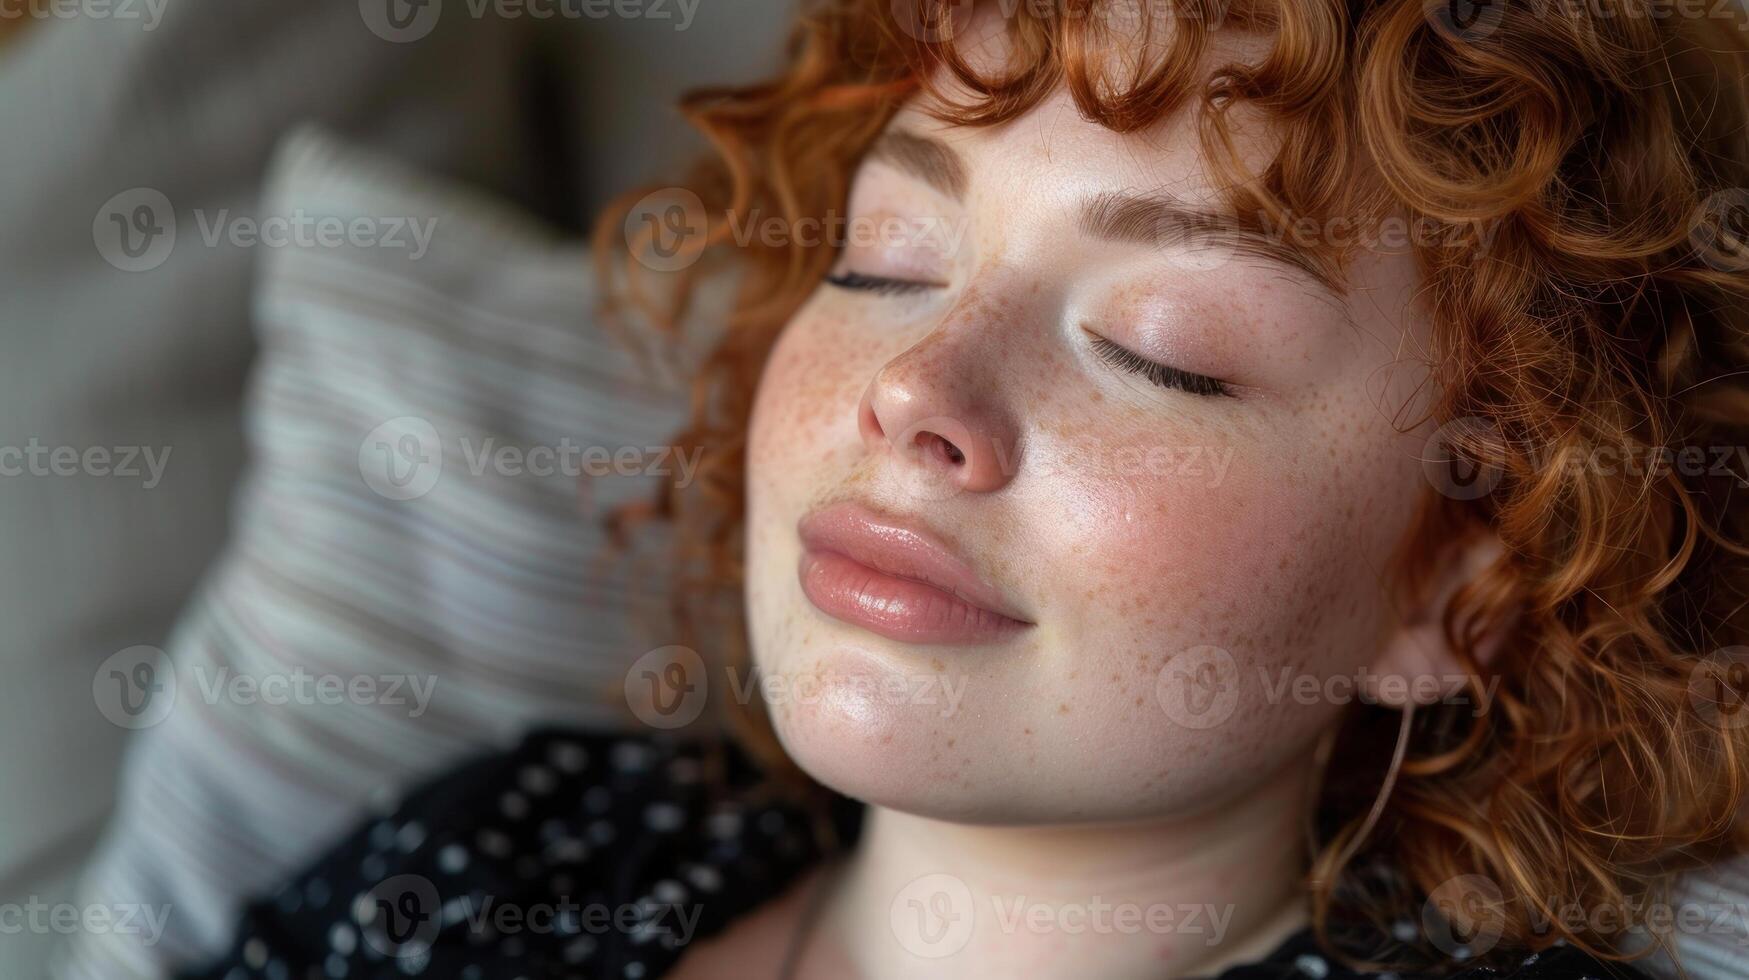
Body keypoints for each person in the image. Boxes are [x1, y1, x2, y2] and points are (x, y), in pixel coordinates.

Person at [187, 0, 1749, 977]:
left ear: (1460, 582)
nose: (915, 388)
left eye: (1164, 353)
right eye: (887, 260)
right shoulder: (509, 858)